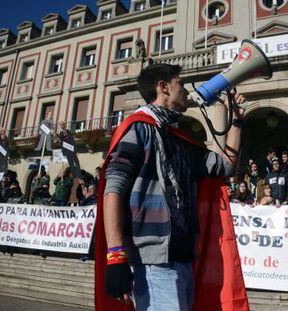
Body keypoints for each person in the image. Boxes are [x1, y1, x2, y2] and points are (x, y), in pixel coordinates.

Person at [96, 64, 248, 310]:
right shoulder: (139, 128)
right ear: (164, 87)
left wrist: (237, 121)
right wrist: (115, 258)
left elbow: (225, 166)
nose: (187, 91)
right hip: (152, 263)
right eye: (181, 83)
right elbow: (113, 189)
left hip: (182, 260)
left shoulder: (180, 139)